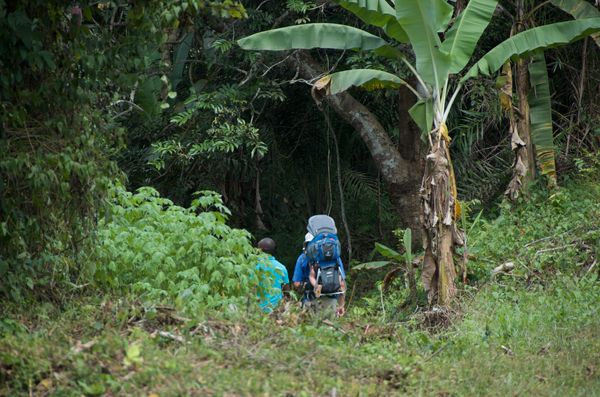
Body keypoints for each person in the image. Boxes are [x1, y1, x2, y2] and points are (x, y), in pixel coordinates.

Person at [255, 237, 289, 312]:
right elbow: (286, 291)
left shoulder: (255, 267)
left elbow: (250, 289)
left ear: (259, 250)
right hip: (276, 310)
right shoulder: (281, 267)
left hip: (258, 311)